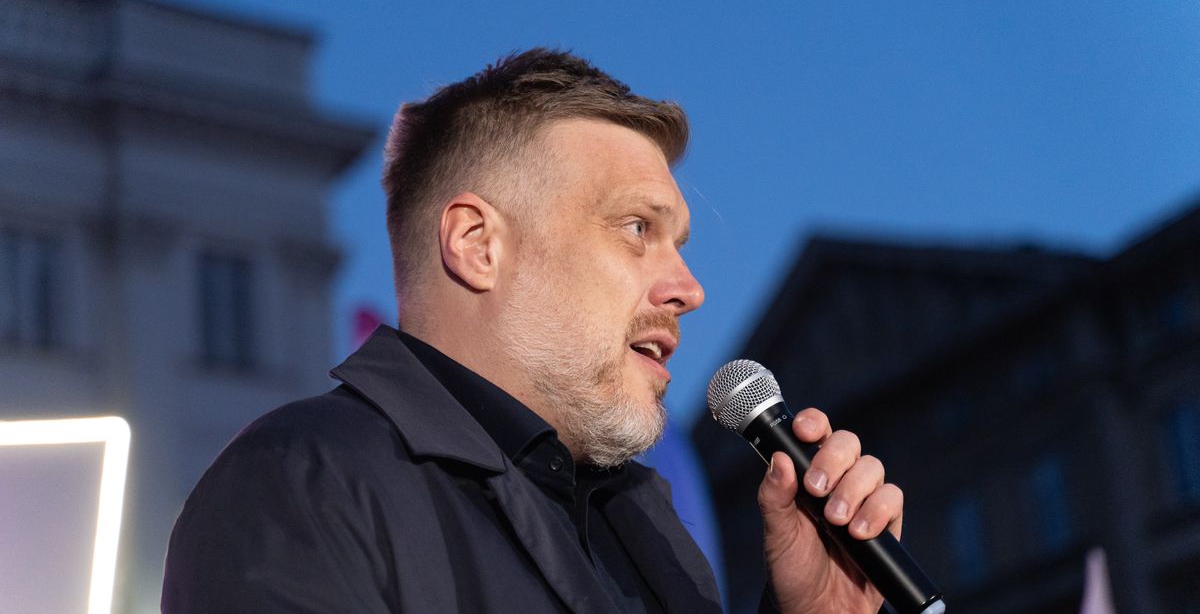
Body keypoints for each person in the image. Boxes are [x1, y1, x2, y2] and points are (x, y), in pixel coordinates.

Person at [162, 49, 904, 613]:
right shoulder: (302, 481)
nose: (689, 288)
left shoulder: (651, 530)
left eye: (679, 242)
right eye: (637, 227)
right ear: (479, 245)